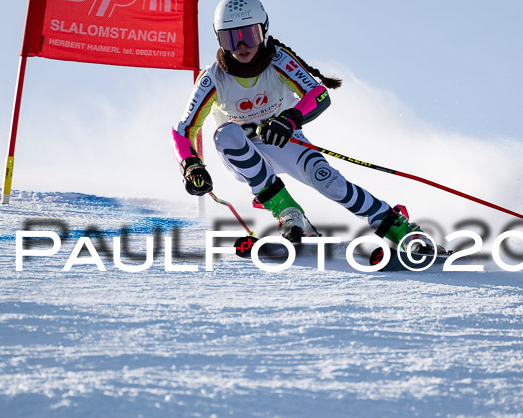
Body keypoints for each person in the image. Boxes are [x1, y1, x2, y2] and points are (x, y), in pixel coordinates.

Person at [171, 0, 433, 252]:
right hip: (242, 153)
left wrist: (289, 119)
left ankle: (398, 228)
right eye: (230, 38)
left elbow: (318, 94)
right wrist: (191, 166)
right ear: (219, 38)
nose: (241, 45)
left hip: (284, 141)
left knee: (331, 183)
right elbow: (184, 130)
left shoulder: (278, 60)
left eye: (249, 35)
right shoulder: (213, 78)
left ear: (263, 30)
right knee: (226, 134)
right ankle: (287, 212)